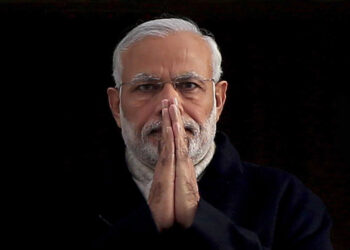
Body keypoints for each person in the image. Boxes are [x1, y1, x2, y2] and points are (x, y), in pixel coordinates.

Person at [64, 17, 333, 249]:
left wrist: (200, 217)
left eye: (189, 85)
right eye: (146, 87)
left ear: (218, 100)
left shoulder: (286, 199)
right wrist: (145, 225)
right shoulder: (70, 197)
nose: (169, 104)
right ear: (115, 106)